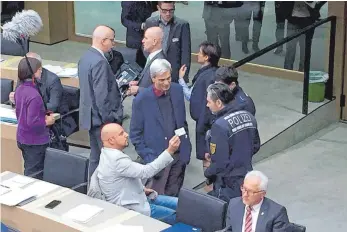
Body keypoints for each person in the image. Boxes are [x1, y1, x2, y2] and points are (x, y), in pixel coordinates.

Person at [88, 123, 180, 225]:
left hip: (140, 197)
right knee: (180, 217)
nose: (126, 134)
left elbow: (121, 180)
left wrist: (142, 188)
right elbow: (147, 171)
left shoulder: (106, 153)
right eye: (121, 133)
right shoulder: (117, 160)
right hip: (135, 208)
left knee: (181, 204)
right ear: (111, 140)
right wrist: (169, 151)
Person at [130, 59, 192, 197]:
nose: (166, 83)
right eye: (161, 80)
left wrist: (185, 153)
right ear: (153, 78)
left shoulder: (177, 90)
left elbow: (182, 123)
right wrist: (150, 159)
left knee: (174, 200)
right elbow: (135, 135)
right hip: (156, 159)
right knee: (157, 199)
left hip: (178, 158)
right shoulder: (141, 100)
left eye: (169, 78)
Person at [78, 25, 123, 180]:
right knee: (108, 161)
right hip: (102, 120)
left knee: (96, 157)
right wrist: (110, 121)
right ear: (103, 41)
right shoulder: (100, 62)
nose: (113, 44)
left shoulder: (85, 58)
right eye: (112, 40)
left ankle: (93, 191)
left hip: (90, 118)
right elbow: (101, 96)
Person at [204, 83, 260, 203]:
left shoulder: (219, 126)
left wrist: (208, 173)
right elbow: (255, 146)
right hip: (246, 175)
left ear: (218, 103)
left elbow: (220, 163)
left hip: (226, 182)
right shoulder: (249, 116)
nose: (207, 105)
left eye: (209, 102)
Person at [9, 52, 77, 151]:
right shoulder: (25, 76)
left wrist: (31, 108)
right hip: (31, 121)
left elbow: (53, 105)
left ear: (39, 68)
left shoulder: (52, 80)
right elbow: (20, 96)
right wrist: (13, 99)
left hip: (55, 119)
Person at [178, 41, 221, 169]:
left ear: (207, 57)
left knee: (207, 156)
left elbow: (191, 96)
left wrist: (181, 79)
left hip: (205, 121)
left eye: (200, 53)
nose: (197, 54)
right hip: (214, 120)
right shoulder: (217, 73)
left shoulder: (204, 77)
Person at [14, 57, 56, 179]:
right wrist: (47, 121)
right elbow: (33, 122)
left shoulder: (19, 89)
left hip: (22, 137)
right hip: (35, 141)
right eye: (39, 69)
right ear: (33, 73)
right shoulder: (34, 95)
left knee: (29, 168)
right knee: (34, 175)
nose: (41, 71)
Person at [222, 170, 290, 232]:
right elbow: (229, 230)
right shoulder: (234, 204)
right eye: (244, 189)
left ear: (262, 194)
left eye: (250, 191)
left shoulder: (277, 213)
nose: (245, 194)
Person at [145, 1, 191, 83]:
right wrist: (150, 63)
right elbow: (145, 46)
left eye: (171, 10)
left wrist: (183, 77)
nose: (168, 14)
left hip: (173, 73)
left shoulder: (182, 25)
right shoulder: (150, 22)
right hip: (154, 70)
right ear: (158, 8)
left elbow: (185, 53)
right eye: (164, 11)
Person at [283, 1, 327, 71]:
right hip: (292, 19)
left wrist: (317, 6)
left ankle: (303, 75)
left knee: (305, 50)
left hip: (308, 20)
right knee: (290, 49)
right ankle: (288, 74)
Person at [126, 27, 165, 96]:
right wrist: (138, 83)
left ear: (154, 41)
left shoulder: (160, 63)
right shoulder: (151, 57)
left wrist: (138, 89)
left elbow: (160, 91)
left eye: (146, 38)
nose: (142, 41)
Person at [121, 1, 156, 68]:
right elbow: (124, 20)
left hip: (150, 37)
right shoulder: (128, 2)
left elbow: (155, 8)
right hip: (135, 39)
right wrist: (140, 25)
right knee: (136, 65)